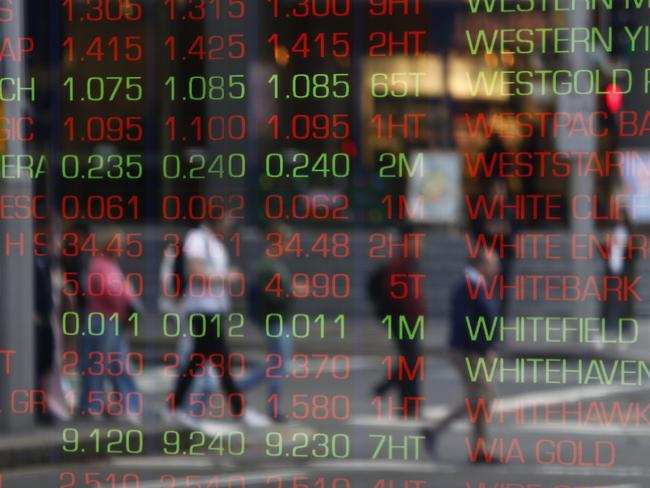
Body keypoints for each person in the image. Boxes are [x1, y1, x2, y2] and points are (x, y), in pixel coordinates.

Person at [165, 215, 268, 428]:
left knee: (199, 360)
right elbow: (196, 274)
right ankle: (239, 410)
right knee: (220, 360)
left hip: (212, 309)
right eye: (227, 220)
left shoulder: (212, 242)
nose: (230, 225)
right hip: (202, 309)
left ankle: (174, 407)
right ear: (217, 219)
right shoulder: (197, 239)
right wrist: (226, 277)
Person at [423, 249, 499, 462]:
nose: (496, 268)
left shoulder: (478, 284)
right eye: (492, 263)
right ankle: (438, 430)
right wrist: (484, 349)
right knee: (484, 395)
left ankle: (479, 449)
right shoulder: (467, 286)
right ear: (480, 264)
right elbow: (468, 322)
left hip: (476, 349)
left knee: (479, 398)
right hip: (468, 351)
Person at [78, 229, 141, 424]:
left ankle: (125, 405)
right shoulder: (99, 265)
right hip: (101, 320)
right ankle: (93, 405)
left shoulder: (110, 265)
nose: (121, 247)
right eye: (118, 243)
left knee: (117, 364)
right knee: (98, 365)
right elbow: (111, 291)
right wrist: (128, 296)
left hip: (111, 320)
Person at [237, 222, 294, 422]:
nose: (289, 247)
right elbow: (271, 295)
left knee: (276, 364)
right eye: (287, 242)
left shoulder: (273, 264)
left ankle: (239, 388)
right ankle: (241, 389)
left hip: (279, 320)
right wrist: (291, 292)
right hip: (275, 321)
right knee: (278, 365)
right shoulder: (268, 266)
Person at [370, 226, 426, 418]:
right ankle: (408, 405)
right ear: (408, 240)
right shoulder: (400, 263)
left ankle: (398, 397)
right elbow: (396, 294)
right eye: (417, 239)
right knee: (412, 361)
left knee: (411, 361)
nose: (420, 244)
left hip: (409, 318)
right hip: (403, 319)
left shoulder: (408, 261)